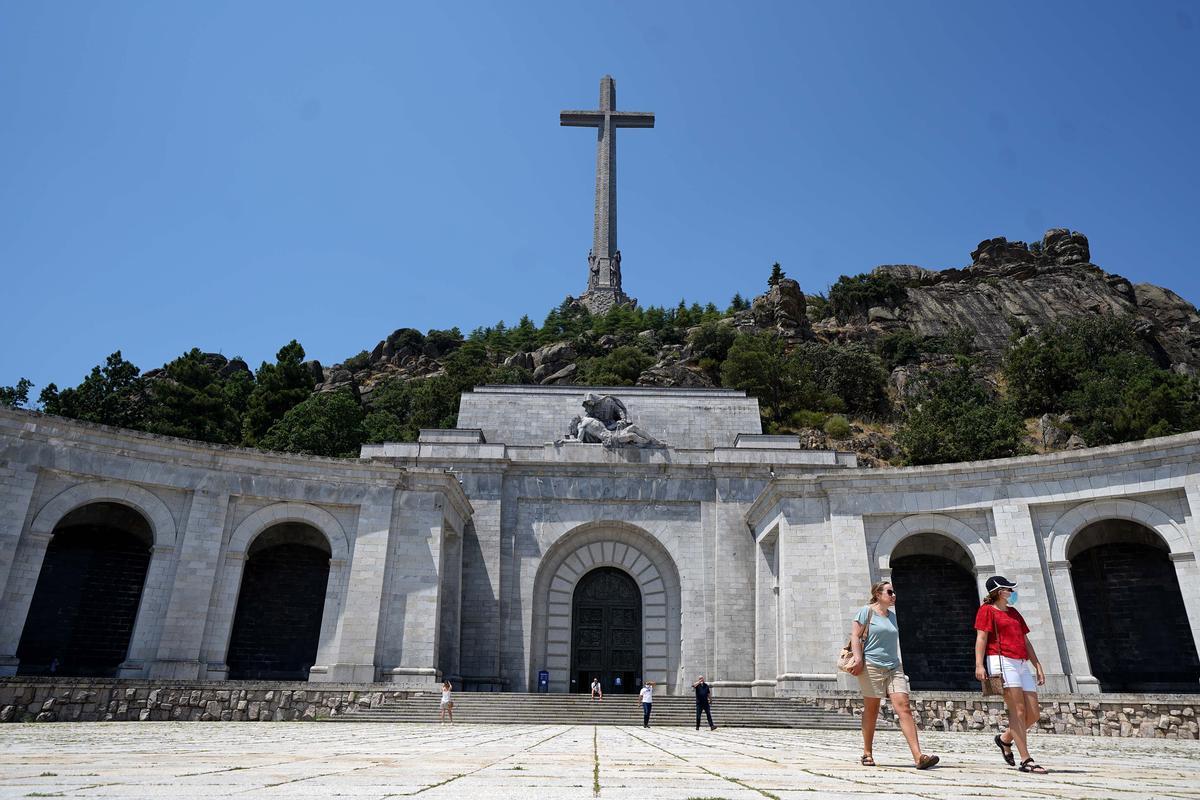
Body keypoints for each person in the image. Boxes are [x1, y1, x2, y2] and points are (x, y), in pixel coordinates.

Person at [846, 580, 939, 769]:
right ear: (878, 594)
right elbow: (855, 635)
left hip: (894, 666)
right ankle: (867, 752)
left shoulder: (892, 616)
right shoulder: (866, 611)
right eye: (890, 592)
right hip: (871, 665)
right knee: (872, 709)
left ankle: (918, 756)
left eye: (894, 592)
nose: (893, 595)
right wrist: (858, 658)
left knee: (904, 707)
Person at [975, 575, 1048, 774]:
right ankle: (1026, 759)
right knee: (1018, 711)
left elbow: (1025, 641)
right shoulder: (987, 611)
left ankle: (1004, 739)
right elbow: (981, 638)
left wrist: (1037, 665)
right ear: (999, 592)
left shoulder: (1014, 613)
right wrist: (979, 665)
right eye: (1009, 589)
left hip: (1022, 663)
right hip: (1001, 661)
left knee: (1033, 713)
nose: (1012, 592)